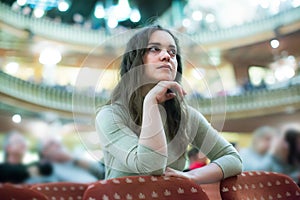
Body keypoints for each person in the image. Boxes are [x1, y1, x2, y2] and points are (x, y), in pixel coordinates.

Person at [95, 25, 242, 184]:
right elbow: (151, 167)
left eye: (172, 52)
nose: (167, 56)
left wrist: (192, 176)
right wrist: (151, 102)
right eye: (154, 49)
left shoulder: (186, 116)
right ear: (135, 61)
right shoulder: (110, 115)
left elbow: (233, 158)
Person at [38, 137, 104, 183]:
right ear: (44, 152)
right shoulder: (47, 170)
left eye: (58, 142)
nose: (58, 145)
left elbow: (102, 172)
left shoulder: (76, 158)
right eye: (51, 144)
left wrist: (73, 160)